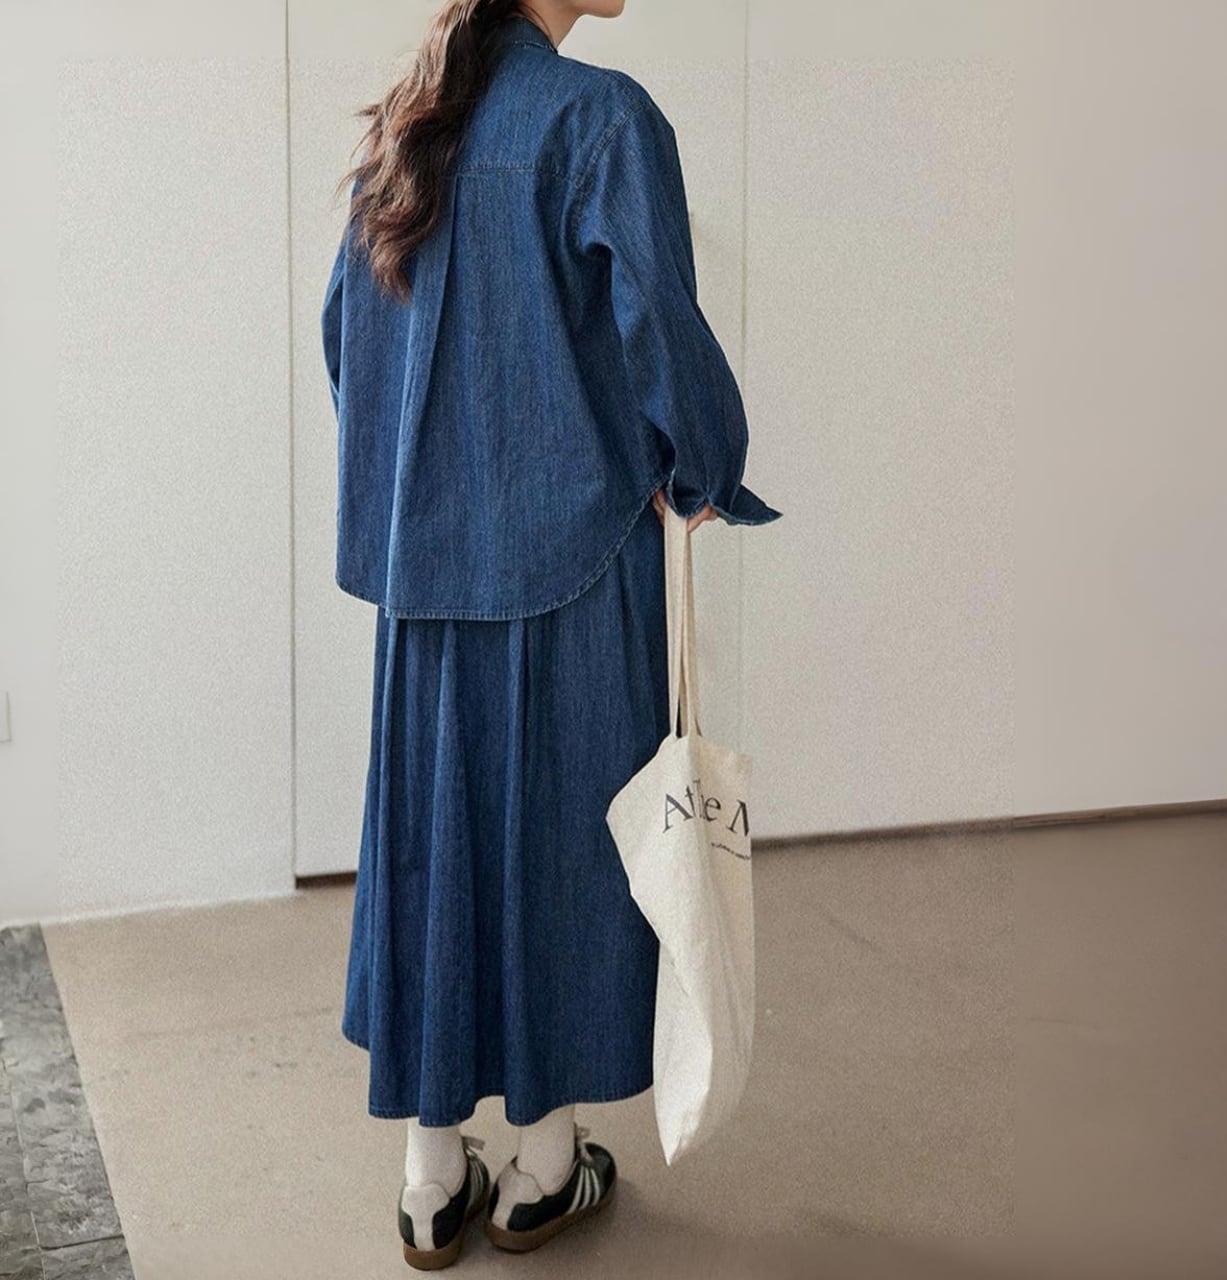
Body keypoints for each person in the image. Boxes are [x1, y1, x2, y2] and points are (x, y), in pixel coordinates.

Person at [320, 0, 781, 1267]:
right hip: (572, 562)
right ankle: (540, 1163)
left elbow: (348, 343)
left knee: (433, 847)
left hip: (425, 581)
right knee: (562, 850)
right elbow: (660, 325)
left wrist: (416, 492)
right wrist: (698, 466)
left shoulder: (405, 125)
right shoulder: (599, 120)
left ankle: (428, 1177)